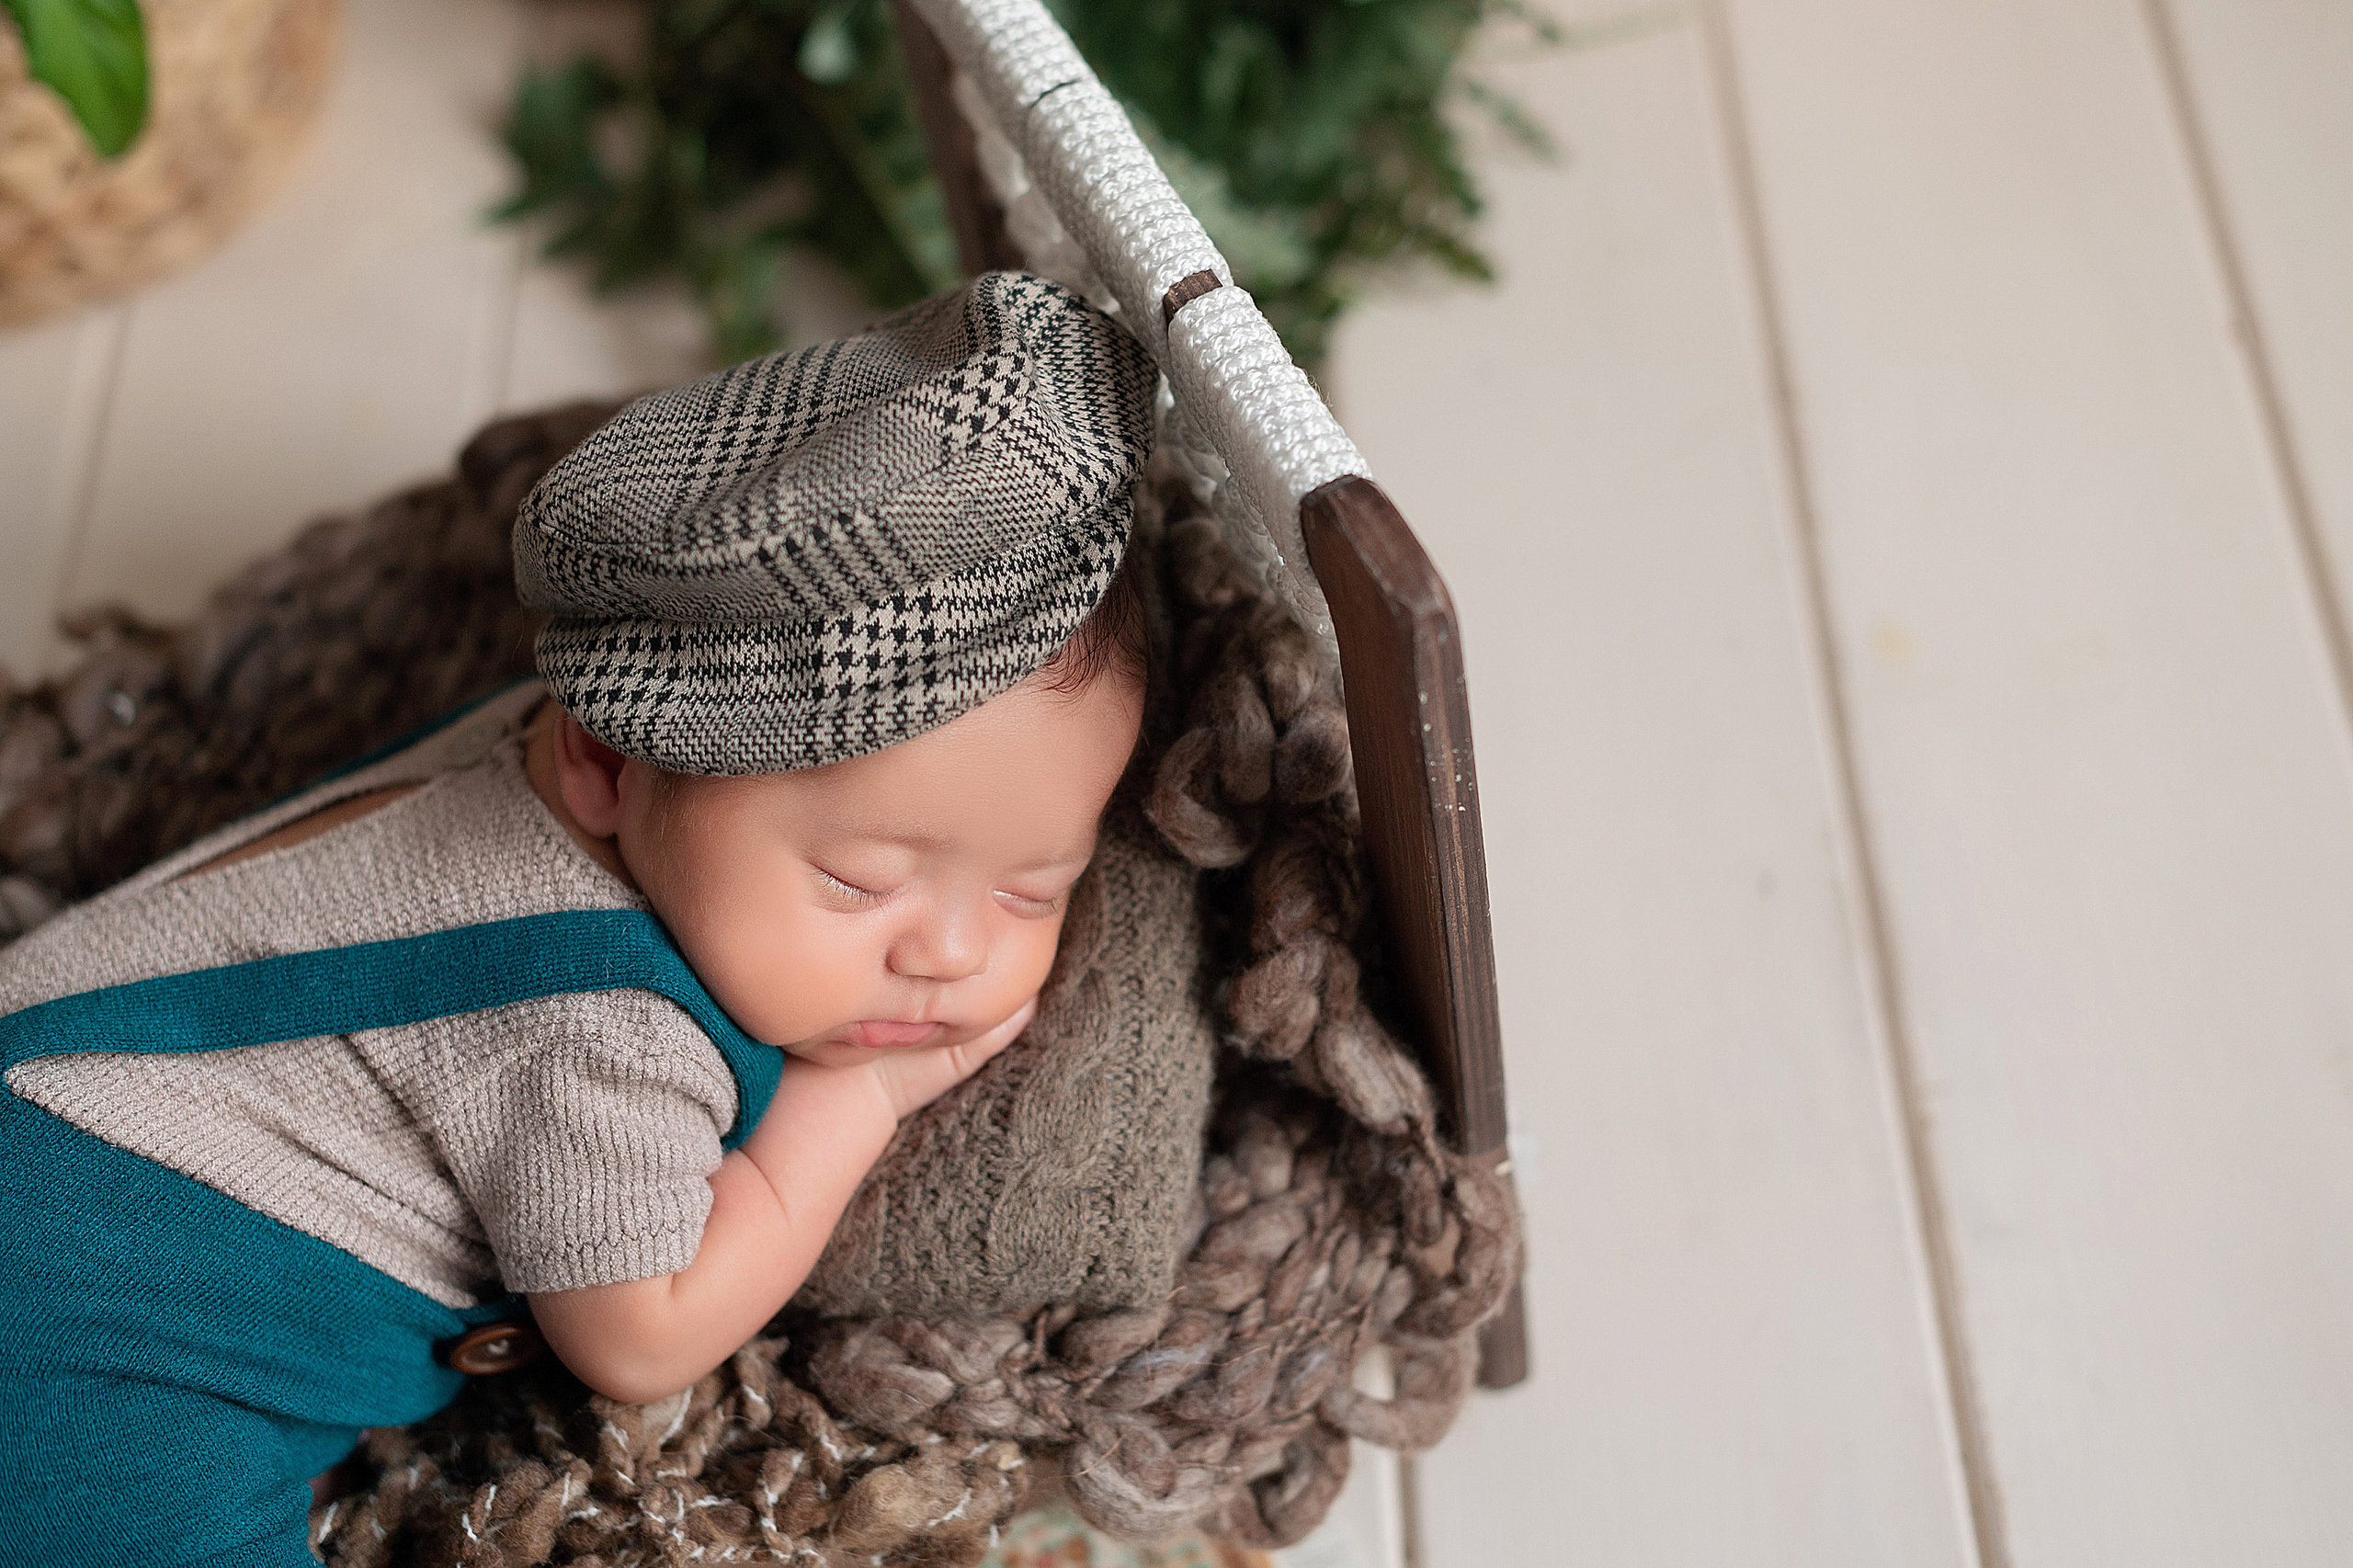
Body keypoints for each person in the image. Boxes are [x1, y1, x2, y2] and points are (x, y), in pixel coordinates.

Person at [0, 271, 1158, 1567]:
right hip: (97, 1305)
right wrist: (858, 1109)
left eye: (1028, 890)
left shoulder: (546, 752)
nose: (947, 949)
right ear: (607, 758)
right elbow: (638, 1334)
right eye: (858, 878)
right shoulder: (601, 1031)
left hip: (57, 1088)